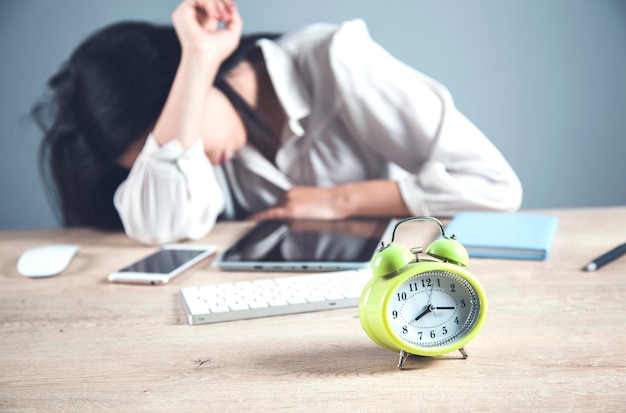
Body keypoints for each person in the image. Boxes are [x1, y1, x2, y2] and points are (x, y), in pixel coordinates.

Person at [32, 0, 522, 245]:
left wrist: (341, 200)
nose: (188, 155)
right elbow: (162, 225)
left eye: (173, 138)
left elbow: (496, 189)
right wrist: (200, 60)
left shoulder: (338, 61)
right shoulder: (198, 137)